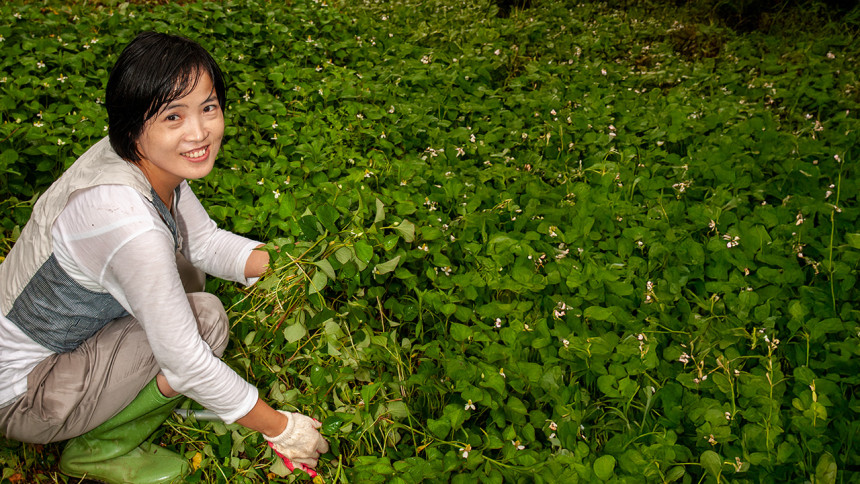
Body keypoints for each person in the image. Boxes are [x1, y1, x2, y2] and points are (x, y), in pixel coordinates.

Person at [0, 31, 328, 483]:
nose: (199, 132)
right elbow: (187, 363)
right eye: (173, 116)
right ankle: (99, 449)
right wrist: (282, 428)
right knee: (204, 321)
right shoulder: (125, 221)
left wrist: (293, 267)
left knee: (187, 271)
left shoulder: (138, 158)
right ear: (134, 125)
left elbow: (204, 242)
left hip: (54, 351)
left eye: (208, 107)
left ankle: (112, 405)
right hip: (24, 394)